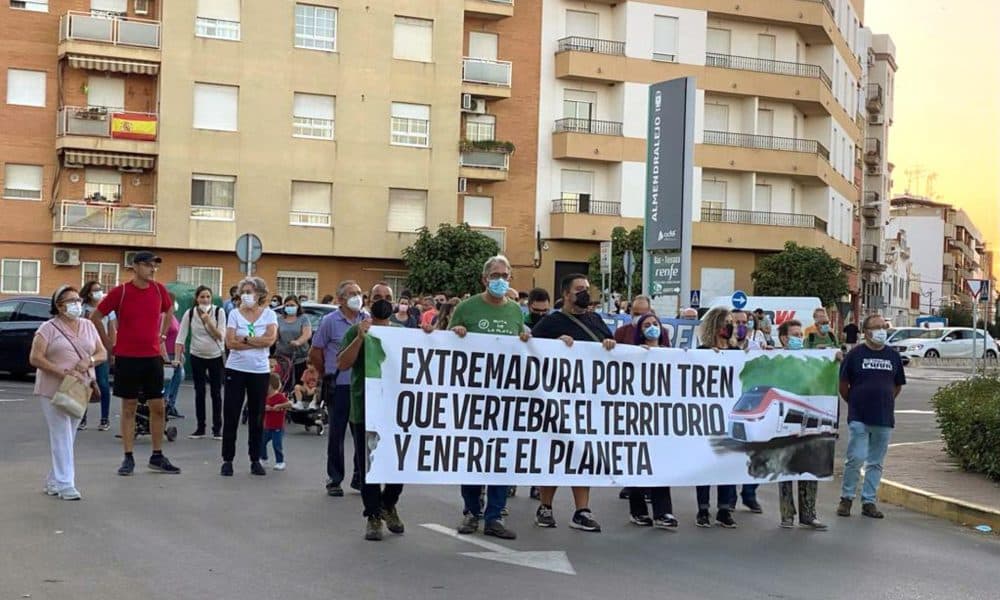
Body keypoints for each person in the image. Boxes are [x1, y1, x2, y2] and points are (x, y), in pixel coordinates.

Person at [440, 255, 528, 540]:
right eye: (495, 275)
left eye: (505, 275)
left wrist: (527, 339)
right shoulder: (466, 308)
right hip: (473, 397)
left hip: (505, 399)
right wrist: (457, 333)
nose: (500, 280)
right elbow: (447, 346)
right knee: (473, 456)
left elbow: (522, 345)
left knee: (500, 456)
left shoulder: (516, 311)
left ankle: (495, 516)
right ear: (484, 279)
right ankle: (471, 511)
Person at [531, 273, 616, 532]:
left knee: (583, 455)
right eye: (579, 289)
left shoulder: (596, 320)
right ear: (566, 294)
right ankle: (545, 506)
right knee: (556, 453)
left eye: (587, 289)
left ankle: (582, 510)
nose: (585, 293)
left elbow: (612, 350)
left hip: (588, 401)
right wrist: (554, 346)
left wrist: (610, 345)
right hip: (557, 401)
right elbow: (531, 350)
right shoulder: (551, 322)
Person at [92, 251, 180, 476]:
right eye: (148, 265)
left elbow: (169, 309)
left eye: (154, 266)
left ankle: (157, 455)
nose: (152, 269)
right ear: (136, 267)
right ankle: (128, 457)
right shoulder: (121, 292)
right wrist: (109, 345)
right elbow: (96, 316)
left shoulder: (159, 290)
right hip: (127, 358)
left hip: (152, 358)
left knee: (158, 407)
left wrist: (161, 337)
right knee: (129, 407)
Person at [338, 282, 405, 541]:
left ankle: (389, 503)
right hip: (365, 407)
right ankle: (373, 515)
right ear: (369, 300)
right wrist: (360, 338)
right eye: (378, 296)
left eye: (388, 297)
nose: (383, 301)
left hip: (397, 410)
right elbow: (342, 364)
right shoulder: (356, 331)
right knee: (369, 466)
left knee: (398, 462)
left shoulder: (402, 332)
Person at [30, 285, 107, 500]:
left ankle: (54, 480)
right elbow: (35, 358)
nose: (77, 304)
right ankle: (66, 484)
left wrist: (89, 361)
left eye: (78, 300)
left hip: (81, 387)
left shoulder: (88, 325)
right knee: (61, 434)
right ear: (59, 306)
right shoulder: (47, 328)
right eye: (71, 301)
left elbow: (102, 353)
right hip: (53, 388)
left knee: (69, 435)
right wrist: (60, 372)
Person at [837, 314, 906, 519]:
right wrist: (855, 401)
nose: (881, 331)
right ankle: (846, 498)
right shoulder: (855, 354)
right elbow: (843, 385)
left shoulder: (893, 356)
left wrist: (885, 400)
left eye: (884, 327)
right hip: (859, 416)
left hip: (884, 417)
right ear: (866, 332)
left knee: (875, 462)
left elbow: (897, 385)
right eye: (876, 327)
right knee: (855, 458)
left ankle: (869, 501)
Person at [311, 280, 367, 496]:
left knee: (361, 433)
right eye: (352, 293)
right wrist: (326, 373)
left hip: (362, 385)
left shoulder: (366, 319)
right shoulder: (330, 321)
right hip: (340, 384)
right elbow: (316, 351)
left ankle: (359, 477)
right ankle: (334, 479)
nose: (357, 297)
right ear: (341, 298)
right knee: (337, 433)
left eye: (359, 293)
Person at [220, 277, 279, 477]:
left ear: (260, 294)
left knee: (257, 415)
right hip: (236, 368)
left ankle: (255, 458)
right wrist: (256, 341)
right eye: (243, 291)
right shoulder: (234, 314)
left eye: (250, 291)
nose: (246, 295)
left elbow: (270, 340)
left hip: (259, 370)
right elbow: (230, 342)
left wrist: (245, 338)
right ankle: (227, 459)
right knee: (231, 414)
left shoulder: (269, 314)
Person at [625, 313, 678, 529]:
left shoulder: (673, 354)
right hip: (636, 417)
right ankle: (637, 511)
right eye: (647, 325)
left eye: (655, 324)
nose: (652, 328)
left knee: (661, 464)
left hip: (661, 419)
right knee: (637, 464)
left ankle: (663, 512)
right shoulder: (631, 353)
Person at [775, 319, 828, 530]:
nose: (799, 338)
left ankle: (809, 513)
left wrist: (831, 358)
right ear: (784, 338)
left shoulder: (811, 359)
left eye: (800, 335)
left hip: (809, 421)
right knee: (786, 467)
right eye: (794, 335)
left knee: (809, 466)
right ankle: (787, 514)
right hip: (785, 421)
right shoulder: (776, 359)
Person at [694, 307, 739, 528]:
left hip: (730, 417)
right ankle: (703, 509)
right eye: (725, 322)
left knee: (727, 463)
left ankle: (724, 509)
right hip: (706, 416)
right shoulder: (701, 352)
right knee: (705, 463)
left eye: (731, 322)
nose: (729, 326)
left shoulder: (737, 352)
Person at [175, 285, 226, 440]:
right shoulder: (190, 313)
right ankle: (200, 428)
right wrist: (177, 358)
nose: (205, 300)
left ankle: (217, 428)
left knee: (216, 393)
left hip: (215, 355)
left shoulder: (219, 312)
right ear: (196, 299)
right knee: (199, 392)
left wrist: (209, 321)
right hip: (197, 355)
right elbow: (181, 336)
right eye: (202, 297)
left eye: (208, 297)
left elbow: (221, 336)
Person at [79, 280, 115, 431]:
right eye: (95, 290)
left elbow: (112, 330)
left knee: (103, 383)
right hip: (85, 351)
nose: (99, 292)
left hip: (101, 351)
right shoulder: (82, 309)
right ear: (88, 293)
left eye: (100, 289)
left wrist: (111, 350)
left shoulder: (108, 310)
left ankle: (104, 418)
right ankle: (82, 418)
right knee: (84, 384)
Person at [275, 295, 312, 394]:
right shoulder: (279, 319)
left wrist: (298, 342)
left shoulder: (303, 318)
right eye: (287, 305)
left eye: (292, 305)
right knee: (284, 380)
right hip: (283, 357)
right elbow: (276, 335)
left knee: (299, 380)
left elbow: (307, 333)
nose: (289, 307)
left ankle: (299, 400)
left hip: (300, 356)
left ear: (297, 306)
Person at [261, 373, 291, 471]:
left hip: (277, 426)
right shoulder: (265, 397)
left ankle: (280, 461)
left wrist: (279, 406)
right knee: (261, 442)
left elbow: (289, 403)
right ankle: (264, 458)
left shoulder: (279, 396)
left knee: (276, 444)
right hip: (267, 426)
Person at [162, 293, 184, 419]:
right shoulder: (162, 316)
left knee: (177, 378)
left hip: (175, 354)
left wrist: (180, 354)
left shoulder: (173, 317)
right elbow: (161, 337)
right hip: (168, 354)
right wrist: (165, 358)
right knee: (168, 381)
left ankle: (171, 404)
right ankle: (166, 405)